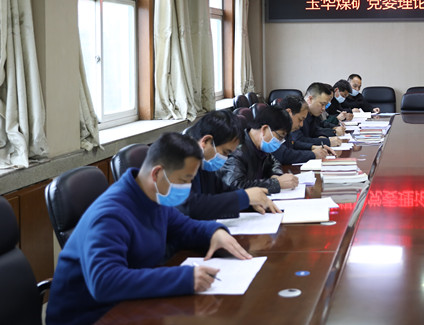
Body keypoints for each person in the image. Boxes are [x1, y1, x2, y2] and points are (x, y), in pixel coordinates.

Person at [46, 132, 252, 325]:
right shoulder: (110, 214)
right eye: (184, 180)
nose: (187, 188)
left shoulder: (153, 198)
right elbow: (104, 282)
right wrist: (185, 278)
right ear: (157, 173)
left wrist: (215, 232)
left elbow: (185, 227)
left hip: (129, 305)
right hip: (91, 316)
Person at [181, 110, 279, 220]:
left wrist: (251, 201)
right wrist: (244, 198)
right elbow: (189, 207)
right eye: (225, 152)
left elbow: (221, 190)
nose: (225, 158)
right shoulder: (177, 159)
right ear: (206, 141)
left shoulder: (203, 160)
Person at [219, 104, 299, 193]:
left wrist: (276, 175)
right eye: (280, 137)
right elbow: (235, 185)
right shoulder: (236, 150)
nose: (279, 142)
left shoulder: (261, 146)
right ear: (264, 129)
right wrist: (275, 183)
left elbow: (273, 162)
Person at [274, 96, 334, 164]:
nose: (301, 124)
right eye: (300, 120)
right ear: (288, 113)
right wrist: (313, 154)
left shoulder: (284, 128)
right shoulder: (273, 129)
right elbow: (283, 155)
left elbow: (292, 143)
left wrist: (313, 147)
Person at [294, 82, 344, 149]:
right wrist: (327, 142)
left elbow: (316, 131)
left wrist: (331, 133)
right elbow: (299, 141)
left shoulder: (312, 113)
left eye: (325, 105)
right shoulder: (296, 113)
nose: (324, 108)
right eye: (322, 104)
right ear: (310, 99)